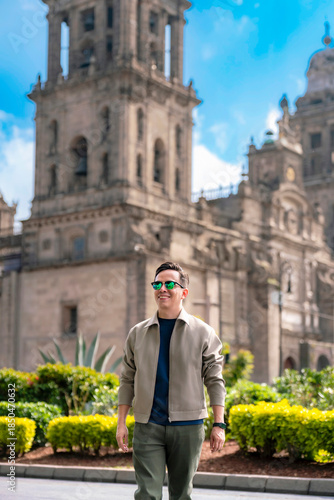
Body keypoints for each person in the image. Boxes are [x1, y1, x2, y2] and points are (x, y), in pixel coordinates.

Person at [117, 261, 226, 500]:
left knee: (181, 495)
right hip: (148, 426)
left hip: (189, 426)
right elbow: (127, 379)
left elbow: (215, 380)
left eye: (169, 283)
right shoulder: (137, 333)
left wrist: (219, 424)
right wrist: (121, 422)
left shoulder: (203, 332)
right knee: (147, 494)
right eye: (157, 283)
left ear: (183, 292)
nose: (162, 288)